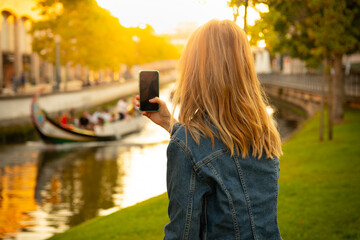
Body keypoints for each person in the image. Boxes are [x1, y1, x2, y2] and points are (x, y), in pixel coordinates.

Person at [136, 19, 282, 240]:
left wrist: (181, 136)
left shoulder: (186, 145)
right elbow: (217, 151)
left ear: (196, 72)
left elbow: (181, 235)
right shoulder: (263, 132)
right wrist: (170, 123)